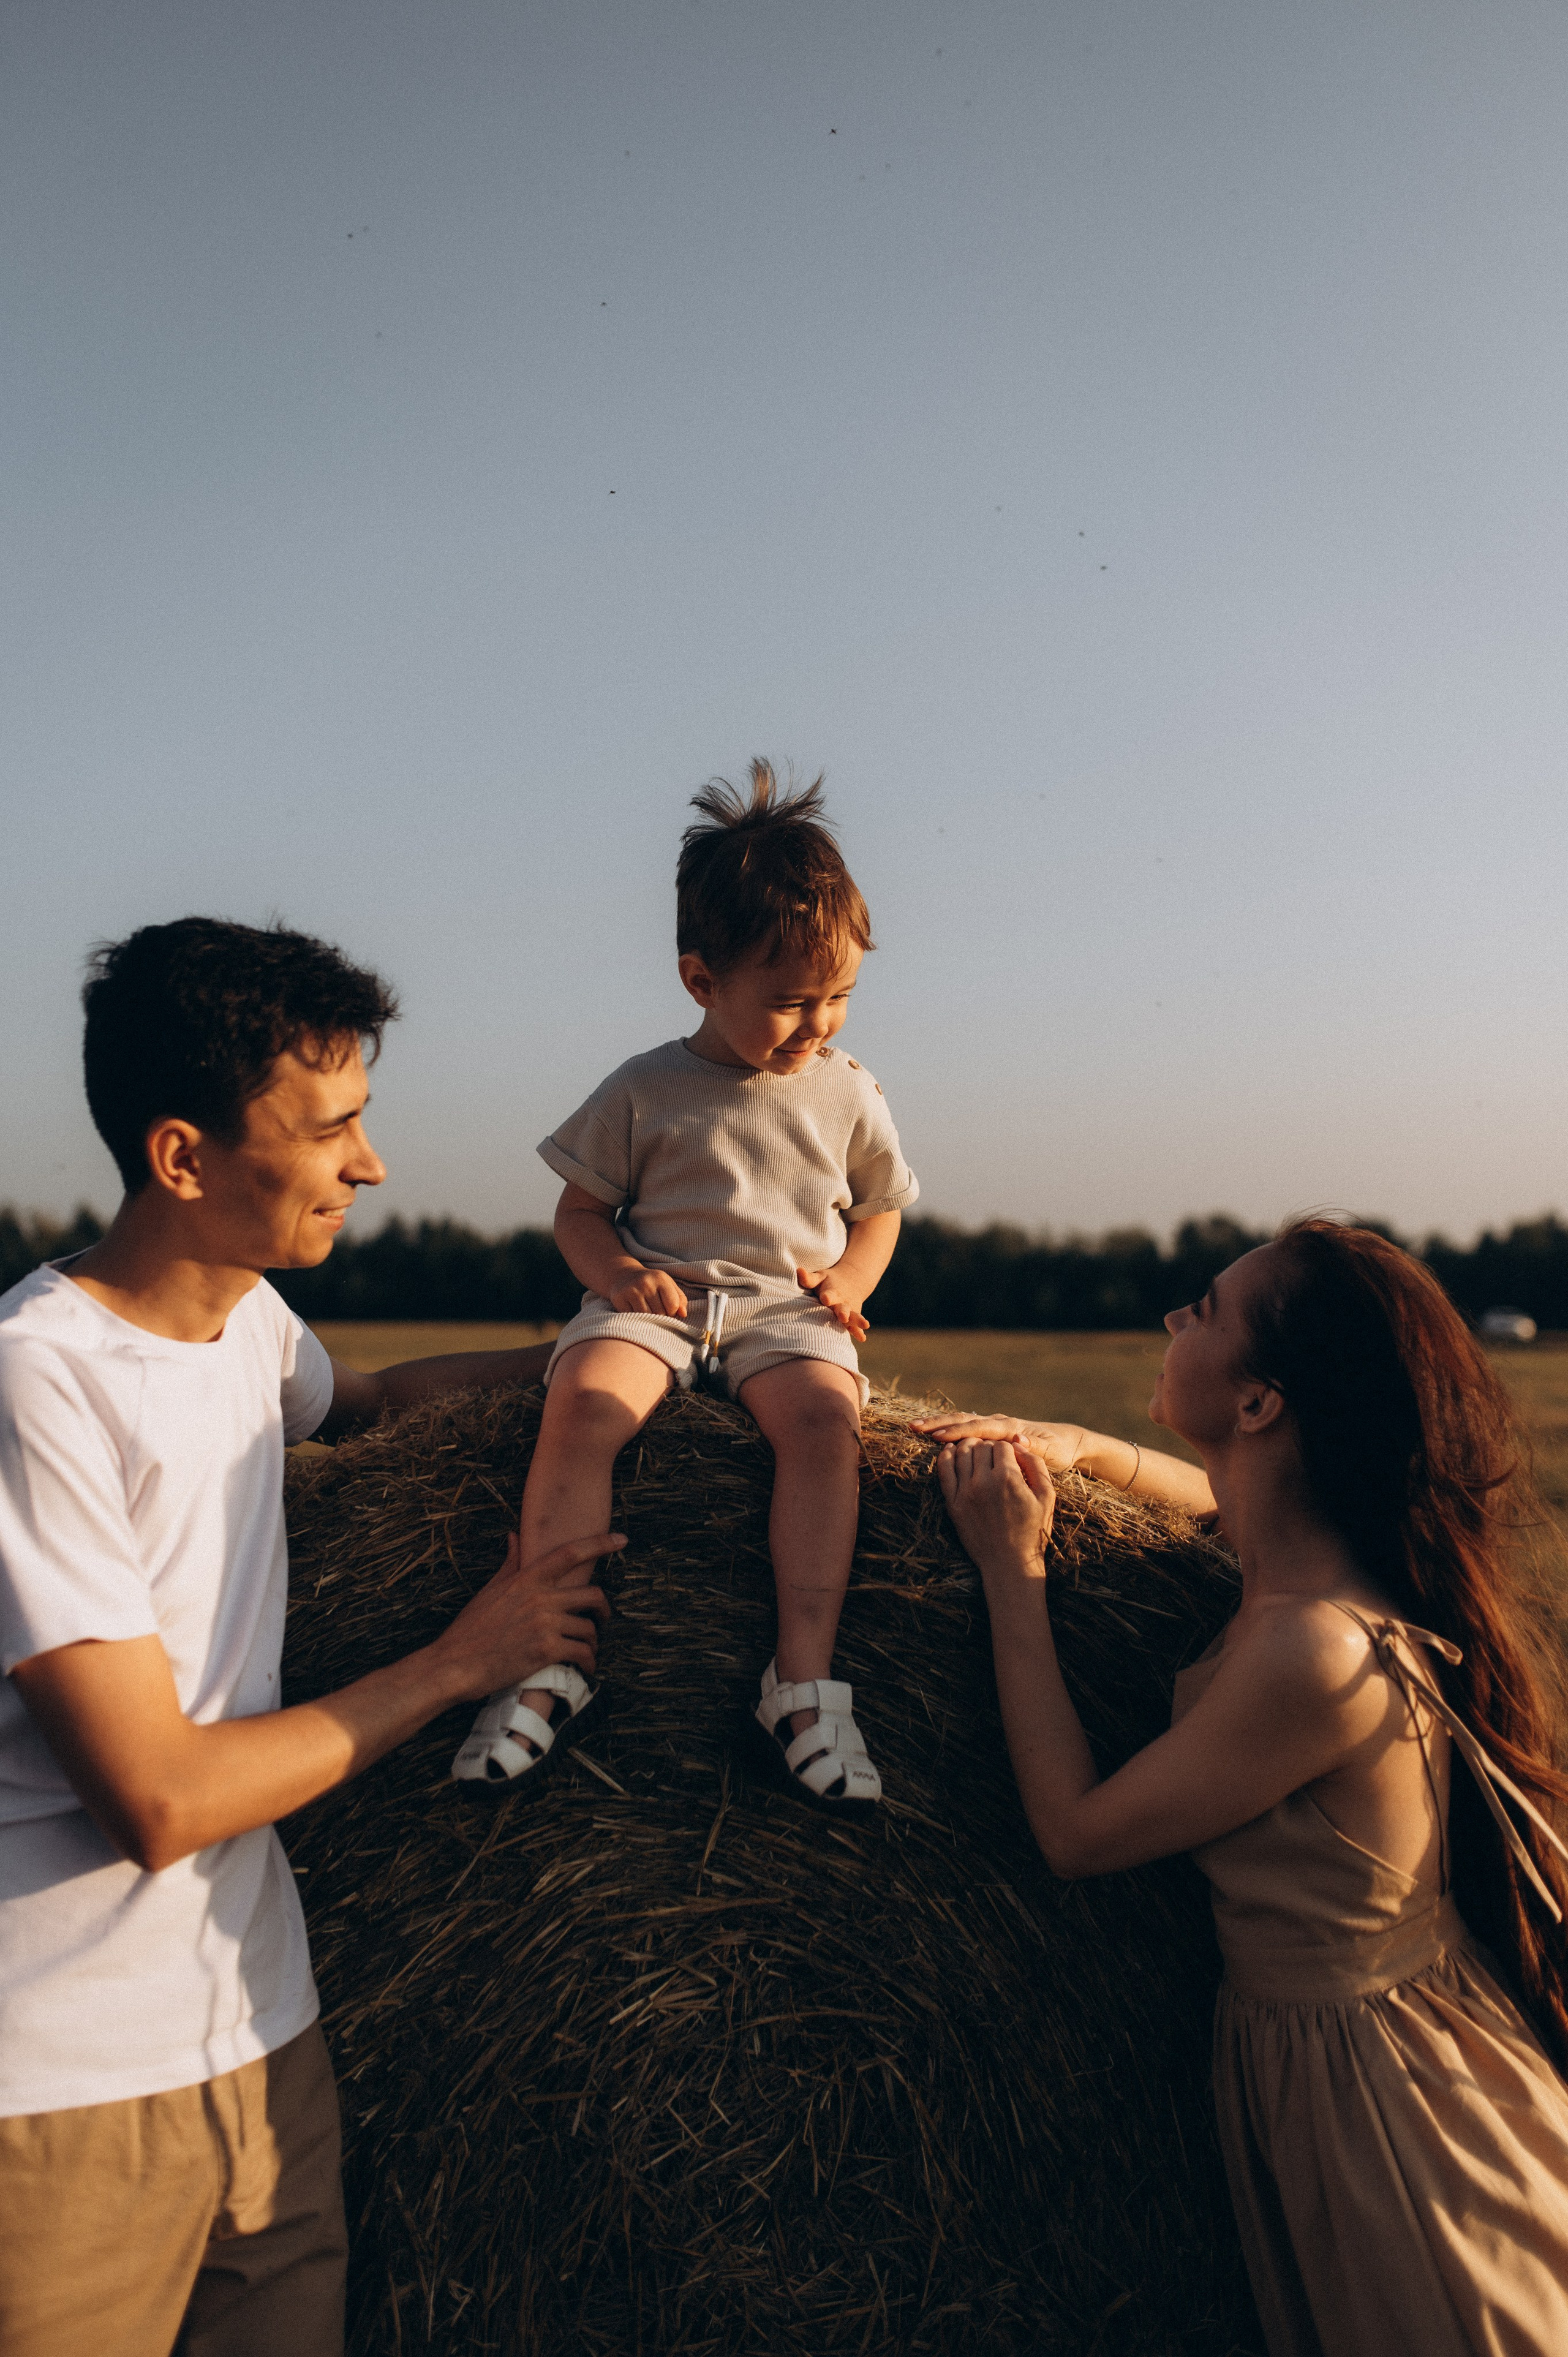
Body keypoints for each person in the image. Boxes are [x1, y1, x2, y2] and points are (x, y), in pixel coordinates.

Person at [0, 918, 617, 2357]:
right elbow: (156, 1798)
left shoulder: (251, 1326)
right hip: (59, 2098)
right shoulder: (40, 1385)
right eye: (332, 1126)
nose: (371, 1163)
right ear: (181, 1157)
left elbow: (373, 1411)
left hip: (265, 2053)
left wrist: (612, 1355)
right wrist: (469, 1658)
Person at [917, 1218, 1568, 2357]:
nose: (1177, 1317)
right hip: (1327, 2060)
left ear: (1262, 1402)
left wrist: (1013, 1572)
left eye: (1208, 1310)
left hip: (1392, 2105)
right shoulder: (1295, 1565)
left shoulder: (1311, 1651)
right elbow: (1211, 1503)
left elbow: (1075, 1833)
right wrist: (1081, 1446)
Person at [453, 762, 918, 1809]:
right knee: (582, 1404)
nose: (819, 1026)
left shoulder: (850, 1092)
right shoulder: (643, 1087)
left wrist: (848, 1277)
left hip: (787, 1312)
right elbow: (580, 1212)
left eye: (839, 997)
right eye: (792, 1002)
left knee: (822, 1426)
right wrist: (617, 1275)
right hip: (657, 1305)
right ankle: (549, 1658)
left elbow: (880, 1208)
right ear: (699, 978)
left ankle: (801, 1678)